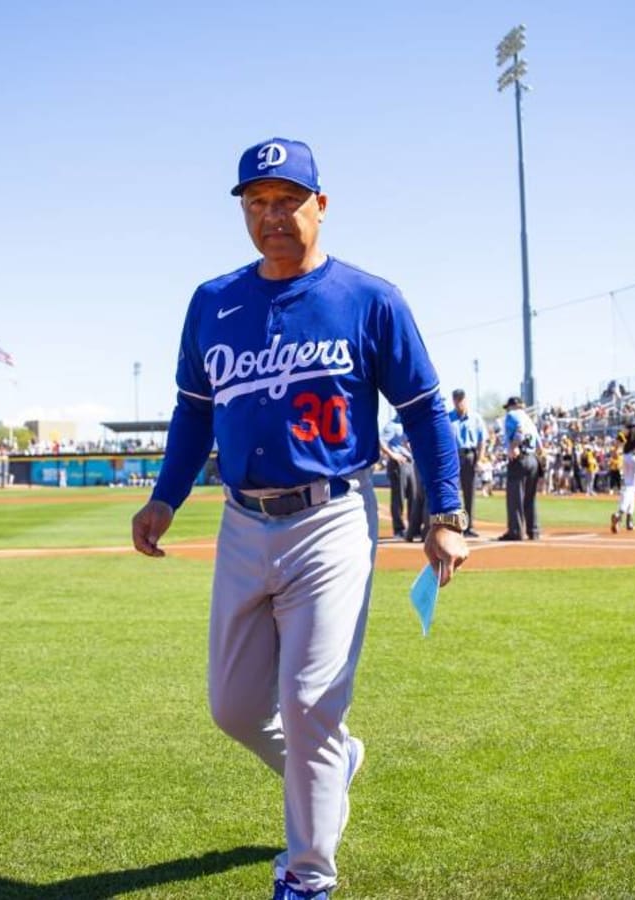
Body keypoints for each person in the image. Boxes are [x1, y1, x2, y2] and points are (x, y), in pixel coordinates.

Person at [130, 137, 469, 900]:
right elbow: (192, 414)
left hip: (332, 517)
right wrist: (165, 496)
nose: (272, 216)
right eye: (257, 202)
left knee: (311, 702)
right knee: (234, 707)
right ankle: (334, 762)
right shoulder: (212, 301)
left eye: (287, 201)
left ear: (321, 205)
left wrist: (444, 514)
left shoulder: (370, 299)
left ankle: (308, 875)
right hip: (242, 523)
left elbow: (423, 413)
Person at [498, 396, 540, 540]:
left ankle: (515, 531)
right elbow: (539, 441)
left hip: (519, 458)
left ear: (513, 406)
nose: (507, 410)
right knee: (530, 497)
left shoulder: (512, 415)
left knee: (515, 498)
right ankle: (533, 530)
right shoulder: (530, 419)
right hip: (533, 458)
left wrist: (513, 446)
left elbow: (520, 430)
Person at [378, 414, 424, 540]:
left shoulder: (409, 422)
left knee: (414, 496)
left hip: (411, 462)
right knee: (398, 497)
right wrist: (393, 455)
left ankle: (412, 528)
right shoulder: (392, 425)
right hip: (398, 463)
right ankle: (398, 529)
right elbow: (380, 441)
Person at [448, 389, 487, 537]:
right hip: (454, 456)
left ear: (466, 400)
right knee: (453, 492)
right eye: (456, 399)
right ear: (453, 401)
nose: (459, 402)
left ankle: (468, 526)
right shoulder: (448, 418)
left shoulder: (475, 418)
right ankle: (455, 525)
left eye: (461, 399)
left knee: (469, 493)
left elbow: (482, 440)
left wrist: (480, 459)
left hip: (470, 455)